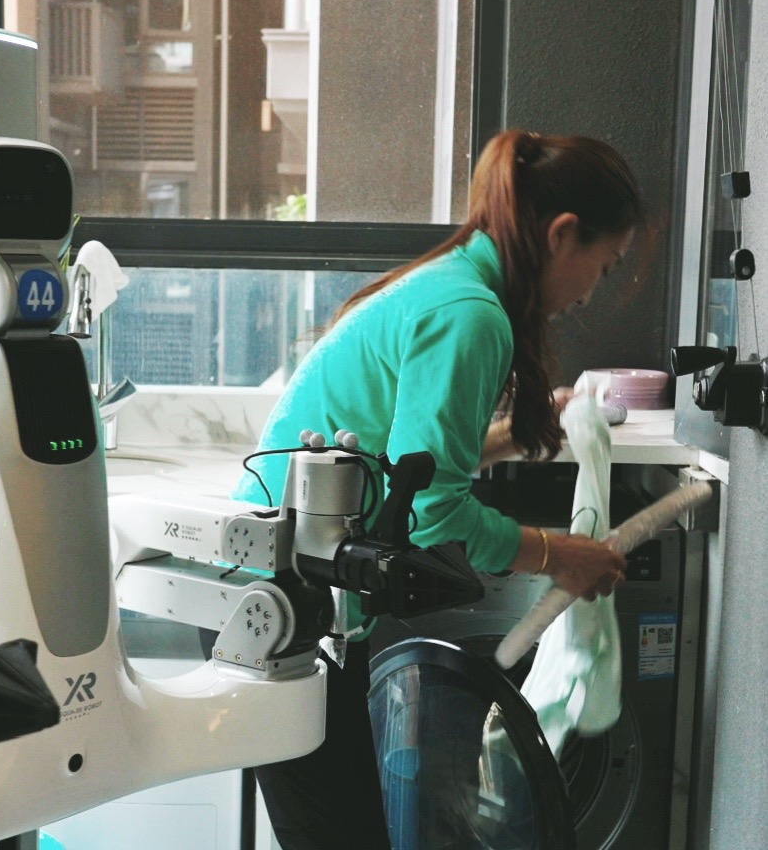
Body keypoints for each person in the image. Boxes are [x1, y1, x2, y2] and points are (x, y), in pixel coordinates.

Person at [233, 129, 641, 849]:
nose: (589, 295)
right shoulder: (469, 314)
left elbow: (409, 463)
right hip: (288, 598)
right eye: (602, 268)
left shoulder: (452, 284)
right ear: (561, 234)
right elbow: (430, 511)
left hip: (287, 583)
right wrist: (560, 556)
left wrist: (516, 435)